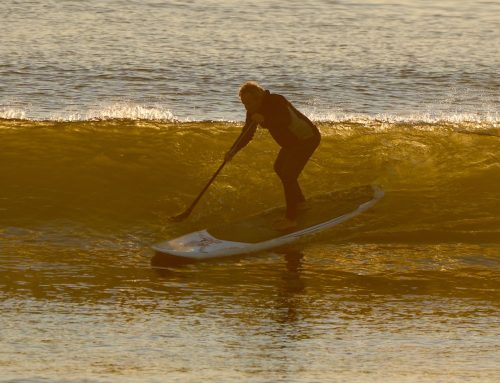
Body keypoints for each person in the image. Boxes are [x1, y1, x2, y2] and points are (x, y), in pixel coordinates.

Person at [225, 81, 321, 231]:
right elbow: (247, 134)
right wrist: (233, 150)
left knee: (288, 175)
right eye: (244, 103)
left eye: (249, 103)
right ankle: (301, 203)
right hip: (291, 143)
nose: (247, 107)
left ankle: (291, 219)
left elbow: (285, 120)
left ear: (259, 98)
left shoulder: (276, 100)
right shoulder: (252, 111)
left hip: (306, 138)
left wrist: (264, 120)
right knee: (279, 168)